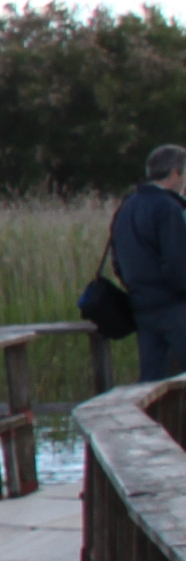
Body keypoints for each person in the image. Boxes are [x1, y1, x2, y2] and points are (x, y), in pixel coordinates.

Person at [111, 145, 186, 383]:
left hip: (141, 305)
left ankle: (149, 420)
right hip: (173, 307)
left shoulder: (127, 205)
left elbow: (117, 261)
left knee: (151, 382)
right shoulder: (168, 207)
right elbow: (177, 263)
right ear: (175, 173)